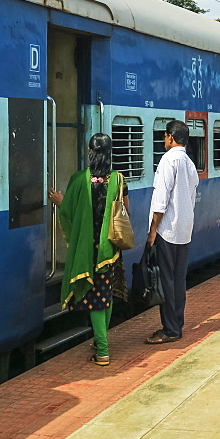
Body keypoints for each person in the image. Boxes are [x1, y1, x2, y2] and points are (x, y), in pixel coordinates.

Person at [48, 133, 129, 366]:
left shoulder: (78, 180)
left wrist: (61, 201)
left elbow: (69, 213)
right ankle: (100, 339)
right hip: (109, 250)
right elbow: (124, 213)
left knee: (95, 300)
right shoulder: (119, 180)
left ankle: (102, 351)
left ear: (89, 151)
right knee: (106, 294)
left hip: (87, 250)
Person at [145, 120, 200, 344]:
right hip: (184, 230)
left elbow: (160, 201)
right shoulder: (188, 163)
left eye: (165, 136)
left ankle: (170, 329)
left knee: (166, 280)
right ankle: (177, 322)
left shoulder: (168, 161)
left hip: (167, 230)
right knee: (178, 280)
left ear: (170, 137)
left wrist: (152, 231)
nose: (163, 139)